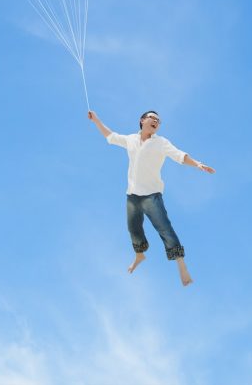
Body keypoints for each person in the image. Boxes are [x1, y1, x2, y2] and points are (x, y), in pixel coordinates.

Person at [87, 109, 215, 287]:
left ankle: (181, 263)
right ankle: (140, 255)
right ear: (142, 120)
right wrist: (96, 120)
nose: (156, 121)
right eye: (152, 118)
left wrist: (197, 164)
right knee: (133, 228)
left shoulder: (161, 142)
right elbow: (111, 136)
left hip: (151, 195)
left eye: (158, 121)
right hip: (132, 194)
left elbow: (179, 155)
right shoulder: (131, 139)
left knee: (164, 228)